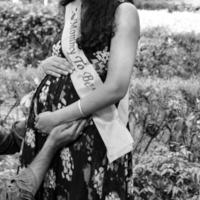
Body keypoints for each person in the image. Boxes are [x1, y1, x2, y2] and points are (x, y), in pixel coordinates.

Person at [20, 0, 140, 199]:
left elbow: (116, 87)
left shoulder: (124, 11)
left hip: (88, 136)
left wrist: (57, 118)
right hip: (49, 135)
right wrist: (45, 65)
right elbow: (65, 65)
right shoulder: (73, 8)